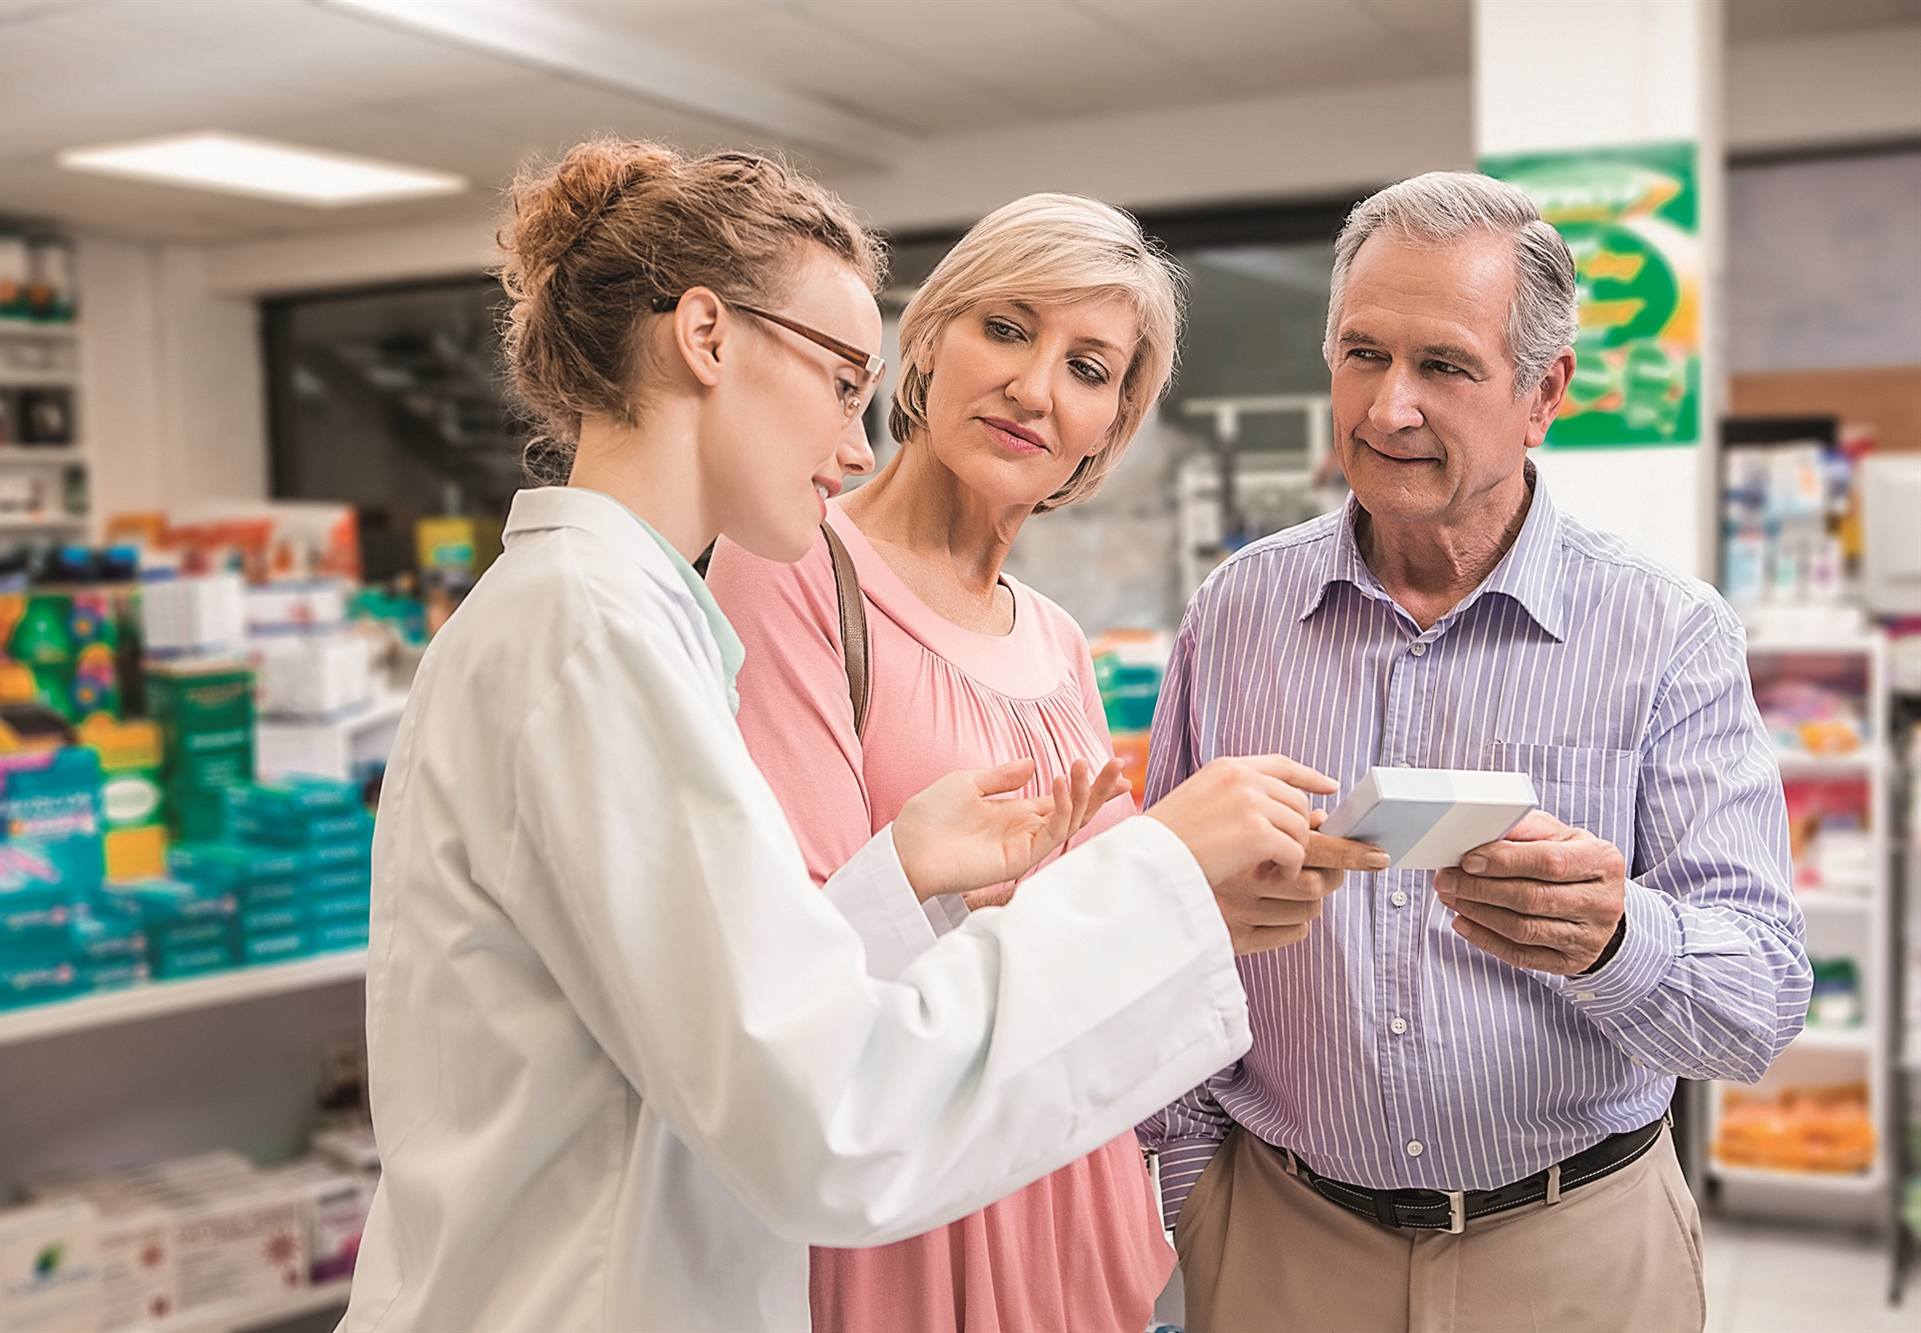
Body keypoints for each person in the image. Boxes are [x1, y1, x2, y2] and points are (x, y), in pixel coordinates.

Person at [337, 140, 1349, 1333]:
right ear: (706, 337)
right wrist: (1158, 879)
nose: (859, 443)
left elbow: (731, 1008)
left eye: (1085, 368)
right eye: (837, 380)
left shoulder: (612, 623)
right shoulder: (588, 639)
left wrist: (907, 876)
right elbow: (829, 1109)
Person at [1140, 171, 1809, 1331]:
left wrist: (1611, 936)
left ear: (1541, 392)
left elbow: (1756, 1003)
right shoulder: (1235, 611)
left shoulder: (1665, 634)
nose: (1386, 407)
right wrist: (1189, 1201)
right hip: (1282, 1241)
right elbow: (1166, 930)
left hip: (1572, 1251)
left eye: (1442, 366)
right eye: (1360, 354)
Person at [709, 194, 1388, 1332]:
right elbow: (800, 965)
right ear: (926, 340)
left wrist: (1227, 898)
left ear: (1107, 427)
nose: (1035, 388)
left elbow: (1105, 941)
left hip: (1068, 1178)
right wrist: (1161, 857)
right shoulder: (789, 575)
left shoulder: (1055, 639)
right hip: (914, 1207)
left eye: (1087, 367)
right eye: (1008, 328)